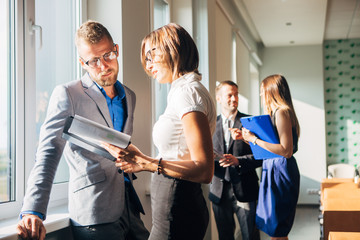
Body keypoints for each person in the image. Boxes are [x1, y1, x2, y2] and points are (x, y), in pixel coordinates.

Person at [16, 20, 149, 240]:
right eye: (94, 61)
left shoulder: (129, 95)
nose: (104, 66)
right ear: (82, 63)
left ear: (116, 50)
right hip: (94, 213)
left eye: (107, 55)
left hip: (130, 207)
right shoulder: (68, 94)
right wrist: (33, 210)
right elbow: (49, 151)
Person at [102, 23, 216, 240]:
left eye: (152, 55)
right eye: (146, 58)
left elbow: (204, 169)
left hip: (178, 202)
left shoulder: (187, 93)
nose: (148, 64)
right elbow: (183, 154)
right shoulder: (185, 90)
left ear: (173, 49)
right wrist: (143, 161)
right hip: (177, 200)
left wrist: (147, 163)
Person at [241, 74, 300, 240]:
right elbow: (272, 144)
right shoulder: (278, 113)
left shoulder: (282, 113)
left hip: (281, 172)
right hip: (273, 169)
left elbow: (285, 150)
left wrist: (254, 139)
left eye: (262, 91)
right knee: (276, 229)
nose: (261, 95)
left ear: (271, 91)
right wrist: (248, 138)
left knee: (278, 229)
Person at [209, 81, 262, 240]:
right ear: (218, 99)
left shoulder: (250, 123)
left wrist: (238, 161)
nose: (234, 98)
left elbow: (261, 156)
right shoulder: (209, 125)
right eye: (229, 95)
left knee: (250, 236)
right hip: (218, 190)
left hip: (245, 188)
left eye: (236, 94)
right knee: (225, 236)